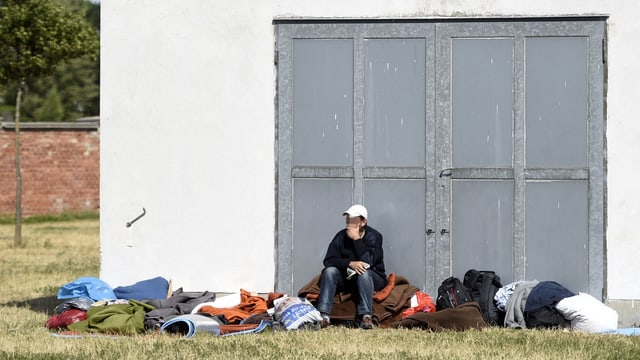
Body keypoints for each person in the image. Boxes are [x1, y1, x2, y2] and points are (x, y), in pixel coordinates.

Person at [317, 204, 387, 329]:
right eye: (348, 219)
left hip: (372, 277)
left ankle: (366, 316)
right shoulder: (341, 236)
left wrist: (356, 239)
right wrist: (349, 263)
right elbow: (329, 260)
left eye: (353, 220)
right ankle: (324, 316)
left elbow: (368, 261)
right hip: (348, 276)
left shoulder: (374, 236)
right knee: (330, 272)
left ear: (363, 222)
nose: (349, 223)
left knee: (363, 272)